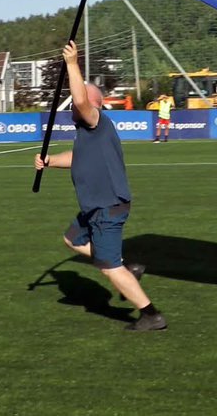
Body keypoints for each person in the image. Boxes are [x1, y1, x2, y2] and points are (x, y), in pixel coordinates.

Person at [34, 40, 167, 332]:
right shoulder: (87, 133)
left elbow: (82, 102)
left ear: (92, 104)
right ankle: (128, 267)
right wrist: (50, 160)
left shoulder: (96, 121)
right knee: (73, 239)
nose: (73, 105)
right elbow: (76, 158)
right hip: (93, 209)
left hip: (107, 207)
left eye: (77, 101)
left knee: (109, 267)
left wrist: (72, 64)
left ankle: (151, 315)